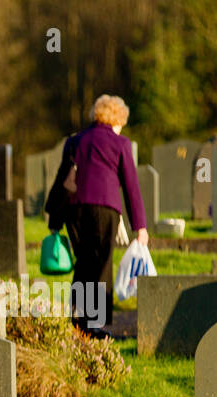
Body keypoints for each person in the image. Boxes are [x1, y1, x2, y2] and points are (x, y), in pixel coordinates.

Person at [45, 93, 148, 335]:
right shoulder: (120, 144)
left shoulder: (75, 141)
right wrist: (140, 226)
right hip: (105, 207)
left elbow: (63, 179)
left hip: (75, 208)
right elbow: (131, 186)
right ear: (116, 118)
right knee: (101, 263)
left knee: (83, 263)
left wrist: (55, 220)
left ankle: (78, 321)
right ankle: (96, 324)